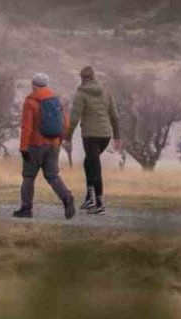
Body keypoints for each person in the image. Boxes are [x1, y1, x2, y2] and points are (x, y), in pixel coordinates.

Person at [13, 72, 77, 220]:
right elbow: (65, 123)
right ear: (46, 84)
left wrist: (23, 148)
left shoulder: (30, 102)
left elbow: (27, 127)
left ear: (33, 84)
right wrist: (59, 140)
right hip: (53, 144)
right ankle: (67, 198)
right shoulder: (56, 100)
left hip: (35, 145)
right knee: (52, 176)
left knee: (28, 177)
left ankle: (26, 209)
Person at [67, 65, 121, 215]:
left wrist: (67, 137)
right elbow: (115, 116)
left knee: (95, 167)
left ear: (83, 78)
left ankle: (99, 204)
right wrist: (117, 136)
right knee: (89, 162)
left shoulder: (81, 93)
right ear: (94, 76)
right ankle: (89, 198)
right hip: (105, 135)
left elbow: (74, 118)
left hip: (90, 135)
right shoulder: (106, 92)